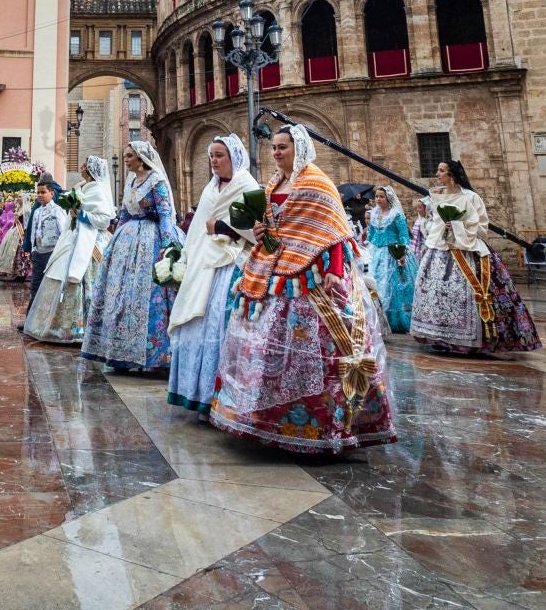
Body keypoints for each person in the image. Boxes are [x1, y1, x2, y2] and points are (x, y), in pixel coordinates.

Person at [210, 125, 395, 454]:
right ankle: (265, 419)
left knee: (320, 351)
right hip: (276, 269)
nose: (276, 152)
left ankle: (325, 426)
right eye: (274, 147)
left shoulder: (317, 182)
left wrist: (335, 272)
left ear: (300, 149)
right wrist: (260, 230)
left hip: (313, 277)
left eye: (283, 147)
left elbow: (334, 231)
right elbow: (272, 230)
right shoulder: (273, 183)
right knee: (268, 346)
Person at [409, 160, 541, 355]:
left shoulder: (471, 197)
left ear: (452, 175)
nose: (437, 174)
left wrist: (457, 226)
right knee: (437, 294)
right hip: (439, 250)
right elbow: (434, 223)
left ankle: (473, 339)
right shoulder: (435, 196)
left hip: (466, 249)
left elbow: (481, 227)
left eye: (441, 170)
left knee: (472, 292)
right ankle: (441, 337)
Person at [168, 134, 255, 413]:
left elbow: (256, 229)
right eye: (212, 156)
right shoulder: (210, 189)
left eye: (220, 155)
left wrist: (223, 228)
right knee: (196, 324)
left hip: (231, 263)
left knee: (220, 321)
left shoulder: (247, 185)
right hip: (203, 262)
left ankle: (222, 400)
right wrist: (185, 257)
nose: (214, 161)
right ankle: (198, 393)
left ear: (234, 157)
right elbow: (197, 229)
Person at [81, 140, 180, 374]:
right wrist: (113, 243)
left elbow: (165, 214)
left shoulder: (156, 181)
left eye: (129, 156)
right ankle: (120, 352)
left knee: (150, 294)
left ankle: (156, 355)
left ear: (141, 158)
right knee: (121, 294)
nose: (125, 159)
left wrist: (167, 246)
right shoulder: (130, 181)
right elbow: (124, 213)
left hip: (152, 238)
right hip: (126, 241)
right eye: (125, 156)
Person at [24, 155, 117, 344]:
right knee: (60, 276)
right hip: (72, 237)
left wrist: (81, 214)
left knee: (87, 280)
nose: (81, 166)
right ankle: (60, 325)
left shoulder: (98, 190)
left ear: (91, 170)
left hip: (90, 243)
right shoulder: (80, 187)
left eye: (85, 165)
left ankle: (85, 327)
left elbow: (104, 220)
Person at [363, 186, 416, 333]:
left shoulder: (396, 214)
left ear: (388, 199)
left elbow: (404, 236)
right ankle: (379, 319)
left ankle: (395, 320)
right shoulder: (373, 214)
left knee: (392, 287)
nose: (378, 199)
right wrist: (367, 249)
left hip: (392, 253)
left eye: (381, 196)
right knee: (375, 284)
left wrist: (402, 252)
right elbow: (371, 235)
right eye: (377, 196)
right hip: (375, 253)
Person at [27, 179, 69, 305]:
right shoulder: (37, 211)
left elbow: (64, 232)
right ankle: (31, 318)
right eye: (38, 192)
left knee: (51, 286)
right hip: (38, 253)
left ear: (51, 194)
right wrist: (33, 250)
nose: (39, 195)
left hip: (52, 253)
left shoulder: (58, 210)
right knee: (35, 285)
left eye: (43, 192)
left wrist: (60, 253)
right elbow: (34, 231)